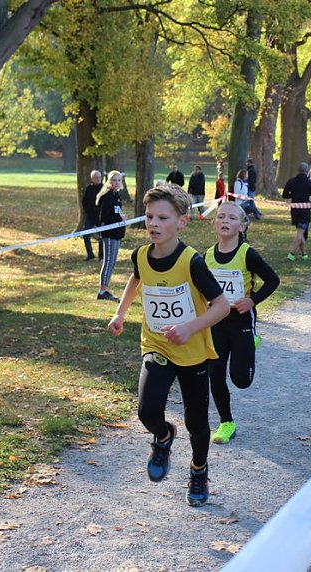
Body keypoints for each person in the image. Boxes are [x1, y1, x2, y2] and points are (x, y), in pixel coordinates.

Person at [107, 184, 230, 507]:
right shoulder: (141, 255)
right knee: (147, 411)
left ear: (182, 222)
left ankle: (199, 470)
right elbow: (136, 279)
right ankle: (163, 435)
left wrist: (189, 328)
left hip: (192, 351)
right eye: (149, 217)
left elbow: (221, 306)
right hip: (157, 345)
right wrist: (120, 313)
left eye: (163, 218)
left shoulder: (192, 262)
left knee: (197, 422)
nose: (153, 224)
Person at [205, 201, 280, 444]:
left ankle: (251, 341)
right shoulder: (207, 256)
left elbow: (273, 280)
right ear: (214, 224)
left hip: (241, 322)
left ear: (242, 226)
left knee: (241, 380)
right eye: (221, 217)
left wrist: (252, 300)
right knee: (215, 373)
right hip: (216, 322)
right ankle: (226, 422)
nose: (225, 221)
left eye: (232, 218)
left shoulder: (247, 254)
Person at [95, 170, 126, 301]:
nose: (117, 183)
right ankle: (102, 291)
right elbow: (104, 217)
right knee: (108, 261)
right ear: (109, 181)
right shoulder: (107, 197)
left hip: (117, 233)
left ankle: (105, 290)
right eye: (114, 180)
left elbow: (117, 213)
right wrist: (119, 219)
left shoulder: (116, 196)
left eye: (119, 180)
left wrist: (122, 218)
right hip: (109, 234)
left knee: (112, 262)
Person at [283, 161, 311, 261]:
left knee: (300, 232)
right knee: (300, 233)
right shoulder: (310, 183)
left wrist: (294, 195)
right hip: (305, 211)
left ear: (298, 170)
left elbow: (285, 195)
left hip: (295, 210)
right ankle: (291, 254)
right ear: (307, 171)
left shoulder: (291, 181)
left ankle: (304, 254)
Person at [80, 170, 104, 261]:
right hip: (90, 216)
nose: (98, 179)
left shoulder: (104, 188)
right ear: (92, 179)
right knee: (86, 234)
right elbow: (84, 201)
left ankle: (101, 256)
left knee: (102, 235)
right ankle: (90, 254)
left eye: (99, 177)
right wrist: (87, 211)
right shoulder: (89, 188)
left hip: (100, 216)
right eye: (96, 178)